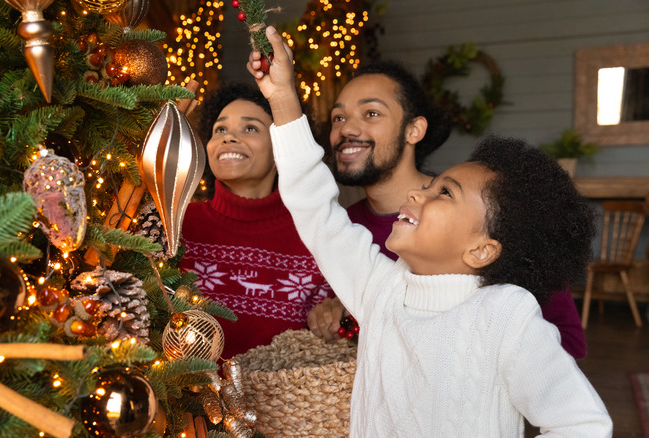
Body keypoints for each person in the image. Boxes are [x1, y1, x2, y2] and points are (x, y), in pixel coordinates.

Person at [247, 27, 611, 436]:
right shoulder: (380, 289)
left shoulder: (505, 316)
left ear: (481, 250)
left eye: (444, 193)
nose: (420, 193)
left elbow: (582, 423)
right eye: (429, 187)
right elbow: (314, 207)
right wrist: (282, 99)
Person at [308, 58, 588, 358]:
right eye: (338, 118)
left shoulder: (486, 217)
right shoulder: (342, 228)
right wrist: (340, 313)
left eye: (371, 113)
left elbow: (568, 344)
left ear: (414, 129)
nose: (346, 128)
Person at [179, 82, 333, 360]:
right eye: (220, 130)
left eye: (250, 128)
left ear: (281, 150)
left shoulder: (315, 233)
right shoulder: (179, 224)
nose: (229, 138)